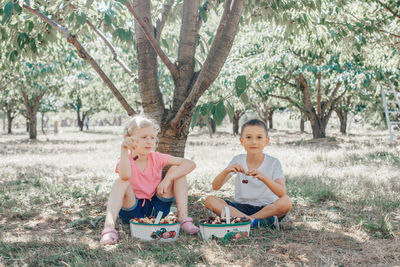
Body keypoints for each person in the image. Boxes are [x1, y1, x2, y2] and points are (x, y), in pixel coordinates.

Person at [100, 115, 199, 245]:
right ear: (130, 139)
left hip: (157, 209)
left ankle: (184, 219)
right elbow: (124, 177)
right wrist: (124, 150)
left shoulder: (156, 157)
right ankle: (109, 229)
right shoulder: (125, 159)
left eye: (152, 138)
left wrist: (168, 178)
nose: (149, 141)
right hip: (133, 210)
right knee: (120, 182)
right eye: (144, 137)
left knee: (177, 170)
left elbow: (190, 164)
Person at [204, 119, 292, 230]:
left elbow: (282, 193)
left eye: (259, 137)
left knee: (286, 202)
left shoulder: (274, 162)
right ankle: (257, 223)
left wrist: (263, 177)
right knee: (210, 200)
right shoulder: (238, 160)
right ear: (242, 141)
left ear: (266, 141)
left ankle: (245, 221)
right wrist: (225, 171)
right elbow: (215, 187)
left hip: (266, 208)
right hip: (240, 208)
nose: (254, 142)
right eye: (248, 137)